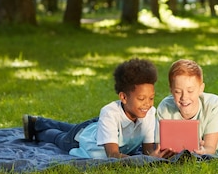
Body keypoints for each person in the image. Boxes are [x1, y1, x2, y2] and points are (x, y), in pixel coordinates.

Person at [22, 58, 171, 159]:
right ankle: (37, 125)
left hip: (96, 128)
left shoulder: (150, 113)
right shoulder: (109, 113)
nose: (148, 104)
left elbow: (147, 151)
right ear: (123, 97)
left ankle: (39, 121)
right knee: (57, 137)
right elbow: (113, 155)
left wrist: (157, 155)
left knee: (72, 127)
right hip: (80, 140)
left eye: (151, 98)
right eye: (141, 99)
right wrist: (145, 160)